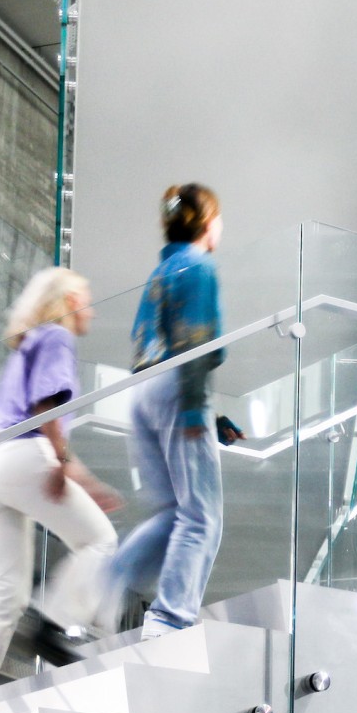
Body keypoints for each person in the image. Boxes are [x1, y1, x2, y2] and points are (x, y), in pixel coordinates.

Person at [0, 267, 122, 713]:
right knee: (102, 542)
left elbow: (41, 419)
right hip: (25, 455)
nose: (91, 310)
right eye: (85, 299)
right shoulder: (58, 337)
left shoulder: (28, 345)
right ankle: (57, 622)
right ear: (66, 302)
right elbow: (46, 409)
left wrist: (84, 481)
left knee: (7, 587)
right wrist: (60, 463)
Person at [108, 183, 226, 638]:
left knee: (171, 514)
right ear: (206, 222)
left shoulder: (163, 272)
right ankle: (170, 619)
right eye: (218, 219)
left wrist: (210, 417)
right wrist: (197, 413)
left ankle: (102, 585)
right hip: (180, 387)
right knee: (201, 516)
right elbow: (194, 341)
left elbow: (156, 341)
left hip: (144, 390)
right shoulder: (199, 267)